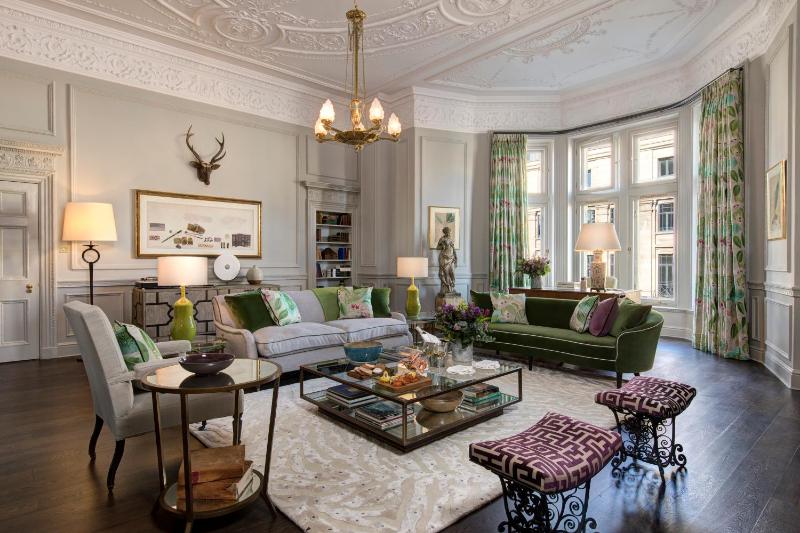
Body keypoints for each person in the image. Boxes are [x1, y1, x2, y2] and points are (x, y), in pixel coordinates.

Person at [437, 226, 457, 295]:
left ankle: (452, 286)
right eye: (447, 232)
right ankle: (448, 289)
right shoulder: (442, 239)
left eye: (449, 232)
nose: (449, 233)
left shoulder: (451, 239)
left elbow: (453, 248)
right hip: (444, 257)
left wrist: (456, 257)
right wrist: (442, 246)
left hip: (451, 258)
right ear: (445, 232)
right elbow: (438, 247)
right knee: (446, 273)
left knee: (452, 272)